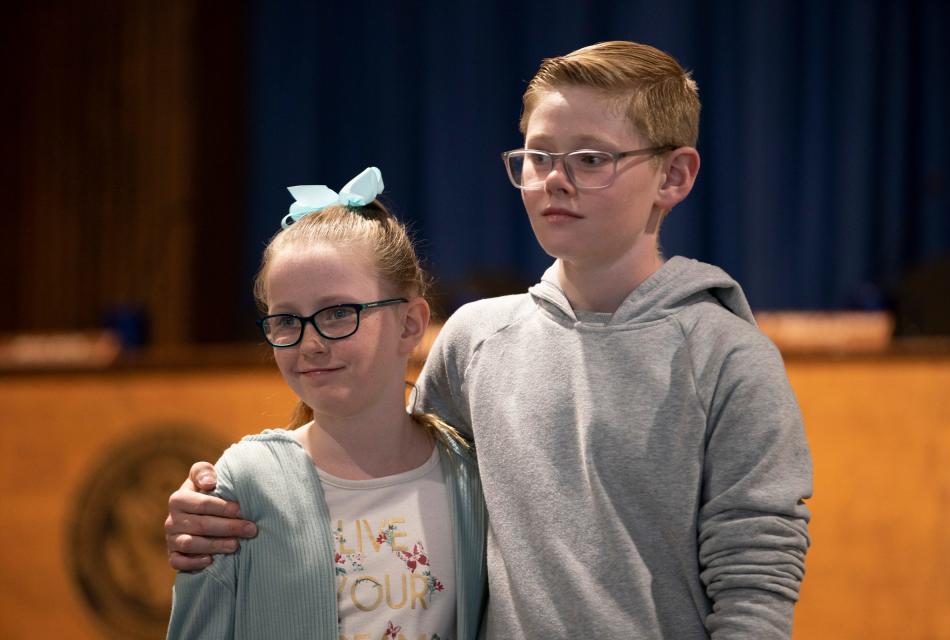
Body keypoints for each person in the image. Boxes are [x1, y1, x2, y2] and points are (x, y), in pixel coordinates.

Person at [166, 42, 812, 638]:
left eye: (590, 158)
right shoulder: (477, 337)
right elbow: (391, 475)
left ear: (673, 176)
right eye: (537, 156)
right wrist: (215, 509)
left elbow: (755, 574)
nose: (554, 180)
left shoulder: (727, 356)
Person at [165, 167, 487, 639]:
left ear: (410, 324)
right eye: (286, 321)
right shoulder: (244, 483)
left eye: (339, 313)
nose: (310, 343)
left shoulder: (470, 476)